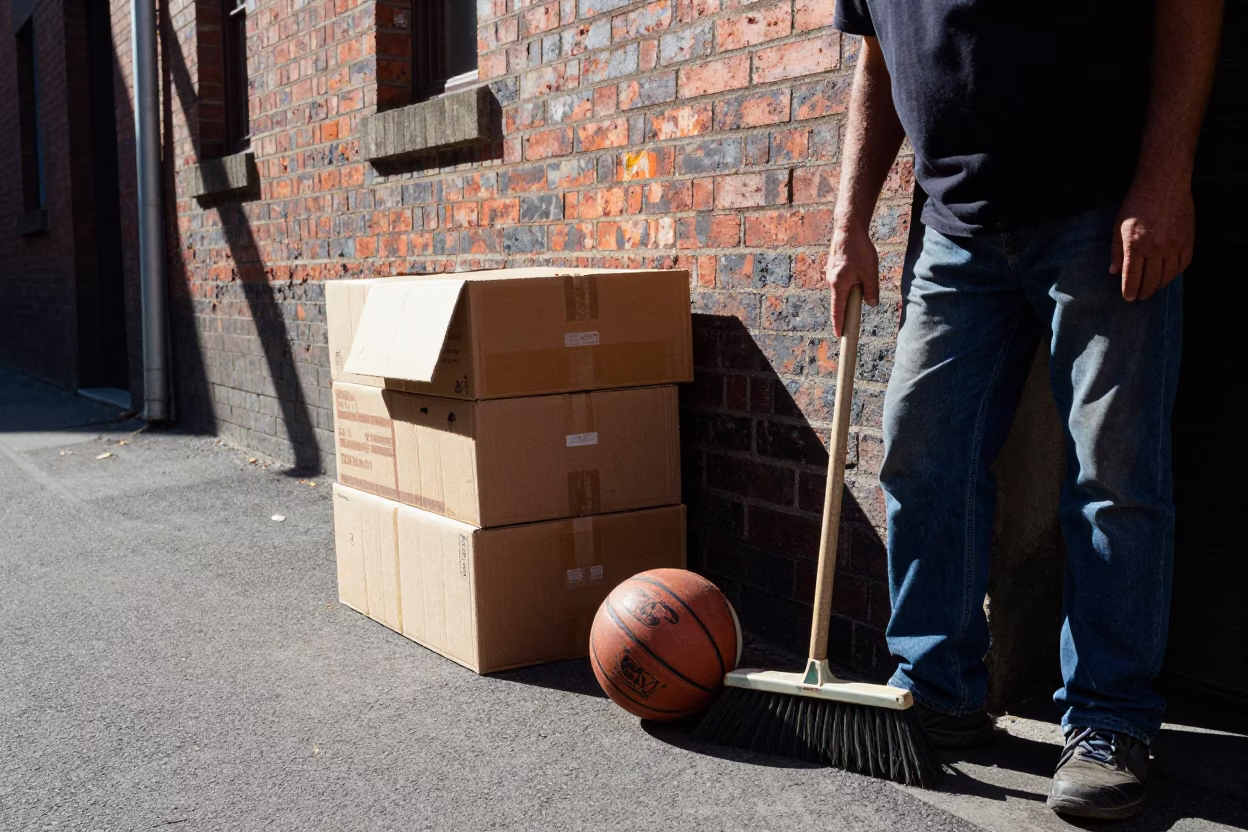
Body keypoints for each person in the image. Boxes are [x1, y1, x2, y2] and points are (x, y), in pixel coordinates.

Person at [825, 0, 1224, 819]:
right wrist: (849, 220)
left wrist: (1164, 174)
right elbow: (876, 63)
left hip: (1103, 206)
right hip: (953, 227)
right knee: (920, 453)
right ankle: (936, 689)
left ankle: (1111, 720)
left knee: (1114, 469)